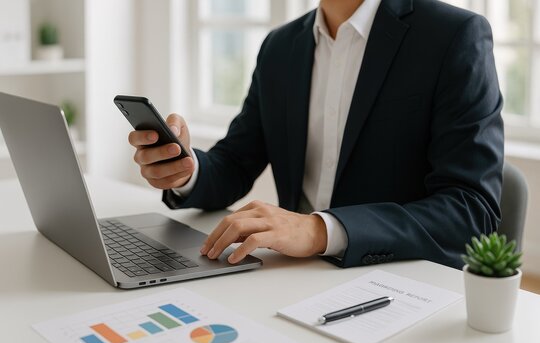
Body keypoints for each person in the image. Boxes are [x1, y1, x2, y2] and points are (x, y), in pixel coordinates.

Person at [128, 0, 503, 269]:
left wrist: (320, 230)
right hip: (288, 277)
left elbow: (471, 210)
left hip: (394, 283)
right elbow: (236, 162)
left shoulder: (453, 35)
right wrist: (186, 171)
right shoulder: (280, 47)